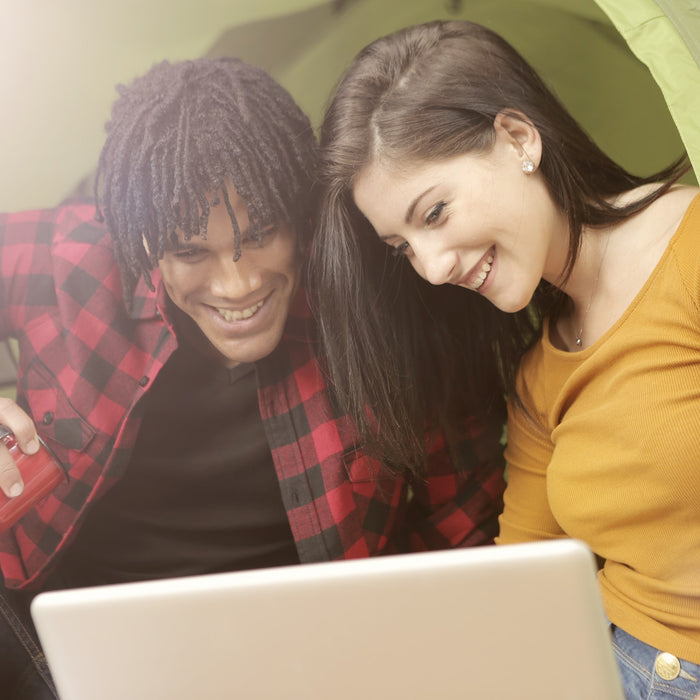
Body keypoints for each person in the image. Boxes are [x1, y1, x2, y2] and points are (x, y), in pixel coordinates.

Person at [0, 56, 507, 699]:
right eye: (191, 251)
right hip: (57, 658)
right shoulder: (70, 260)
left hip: (303, 662)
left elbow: (460, 531)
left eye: (261, 234)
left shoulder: (383, 308)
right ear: (144, 243)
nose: (238, 285)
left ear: (297, 208)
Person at [310, 19, 700, 700]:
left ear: (518, 139)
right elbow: (525, 579)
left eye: (433, 214)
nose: (430, 270)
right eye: (402, 247)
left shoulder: (688, 253)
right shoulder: (539, 375)